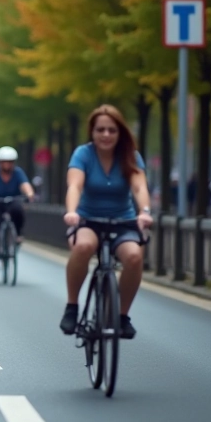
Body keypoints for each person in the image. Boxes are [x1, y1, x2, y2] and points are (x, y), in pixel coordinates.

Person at [60, 104, 153, 340]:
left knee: (133, 257)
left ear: (120, 132)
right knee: (83, 247)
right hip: (88, 219)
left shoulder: (130, 156)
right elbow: (75, 185)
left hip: (123, 220)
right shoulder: (83, 154)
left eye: (112, 130)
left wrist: (144, 211)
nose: (106, 135)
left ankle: (122, 316)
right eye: (100, 129)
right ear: (92, 132)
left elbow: (139, 186)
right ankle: (72, 306)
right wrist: (72, 212)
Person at [0, 147, 35, 272]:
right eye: (4, 161)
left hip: (12, 200)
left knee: (18, 210)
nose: (7, 164)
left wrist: (29, 193)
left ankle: (18, 233)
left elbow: (25, 184)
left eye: (10, 161)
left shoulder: (18, 172)